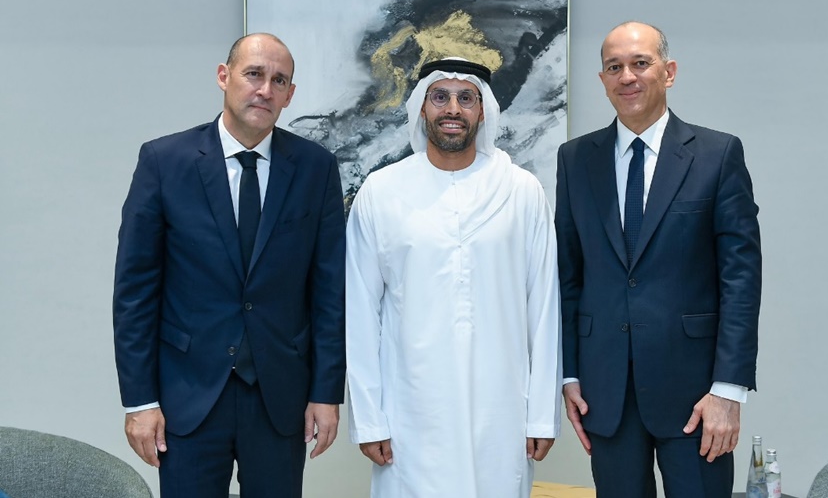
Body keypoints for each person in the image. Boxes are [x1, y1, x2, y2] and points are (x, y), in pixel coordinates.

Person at [113, 33, 345, 497]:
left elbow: (329, 291)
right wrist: (140, 401)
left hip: (279, 395)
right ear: (224, 76)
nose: (265, 89)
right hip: (188, 396)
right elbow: (134, 292)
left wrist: (326, 392)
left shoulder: (316, 168)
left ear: (290, 95)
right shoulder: (164, 161)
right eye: (254, 74)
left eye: (279, 81)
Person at [555, 22, 762, 497]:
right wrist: (569, 373)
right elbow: (569, 276)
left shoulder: (717, 154)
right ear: (603, 80)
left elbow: (741, 280)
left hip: (698, 396)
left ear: (668, 72)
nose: (627, 76)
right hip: (606, 392)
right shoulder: (575, 159)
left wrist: (729, 390)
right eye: (614, 67)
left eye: (640, 63)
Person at [345, 58, 562, 498]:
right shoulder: (381, 192)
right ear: (421, 108)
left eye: (466, 98)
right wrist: (369, 420)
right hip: (409, 415)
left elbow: (544, 308)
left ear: (483, 111)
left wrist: (542, 415)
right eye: (440, 96)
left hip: (501, 414)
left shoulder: (521, 191)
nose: (452, 109)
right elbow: (361, 314)